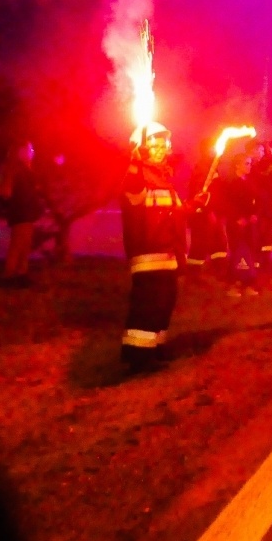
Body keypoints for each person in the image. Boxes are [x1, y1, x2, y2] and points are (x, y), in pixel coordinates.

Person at [121, 124, 184, 368]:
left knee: (165, 302)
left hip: (166, 253)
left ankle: (156, 348)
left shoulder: (163, 178)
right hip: (147, 253)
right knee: (148, 304)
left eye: (163, 146)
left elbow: (174, 212)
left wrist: (195, 205)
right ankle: (138, 357)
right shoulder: (137, 176)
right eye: (154, 146)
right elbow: (134, 195)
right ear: (142, 149)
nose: (160, 150)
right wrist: (135, 163)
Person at [212, 152, 260, 294]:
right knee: (237, 252)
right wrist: (237, 218)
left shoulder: (248, 181)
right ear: (237, 165)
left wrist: (253, 214)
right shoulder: (231, 183)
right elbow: (227, 204)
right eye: (246, 163)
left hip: (249, 223)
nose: (249, 166)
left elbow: (254, 201)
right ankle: (232, 283)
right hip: (237, 224)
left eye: (250, 163)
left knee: (248, 252)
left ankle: (248, 283)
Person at [2, 142, 44, 285]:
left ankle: (21, 273)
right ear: (21, 152)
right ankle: (9, 276)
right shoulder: (16, 170)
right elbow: (5, 192)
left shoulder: (26, 169)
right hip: (21, 212)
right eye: (29, 149)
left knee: (25, 244)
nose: (32, 151)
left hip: (27, 212)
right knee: (18, 244)